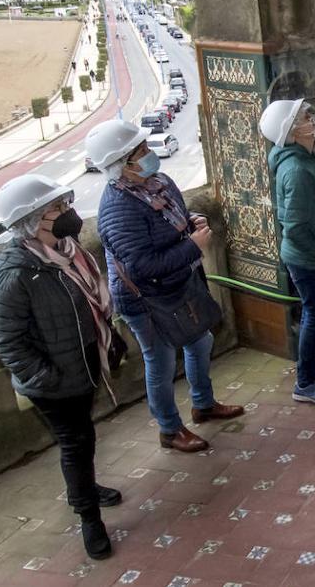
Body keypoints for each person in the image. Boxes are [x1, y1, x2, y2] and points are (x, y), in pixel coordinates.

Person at [87, 120, 243, 453]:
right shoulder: (118, 208)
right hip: (144, 299)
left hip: (177, 285)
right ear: (122, 167)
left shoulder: (158, 183)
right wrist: (193, 246)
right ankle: (170, 429)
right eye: (139, 152)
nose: (149, 154)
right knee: (160, 361)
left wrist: (191, 222)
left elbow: (172, 221)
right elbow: (141, 266)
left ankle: (203, 404)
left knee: (201, 342)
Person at [0, 174, 121, 561]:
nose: (68, 214)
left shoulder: (68, 250)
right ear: (32, 221)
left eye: (65, 205)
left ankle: (86, 490)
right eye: (56, 209)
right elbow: (7, 342)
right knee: (76, 444)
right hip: (56, 381)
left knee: (83, 440)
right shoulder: (16, 272)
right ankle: (88, 516)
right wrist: (49, 378)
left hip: (82, 364)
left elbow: (88, 304)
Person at [259, 99, 315, 406]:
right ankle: (306, 382)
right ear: (292, 132)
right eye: (304, 117)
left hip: (309, 256)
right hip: (305, 258)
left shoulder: (302, 159)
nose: (312, 118)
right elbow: (295, 226)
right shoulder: (296, 169)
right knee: (314, 315)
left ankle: (312, 372)